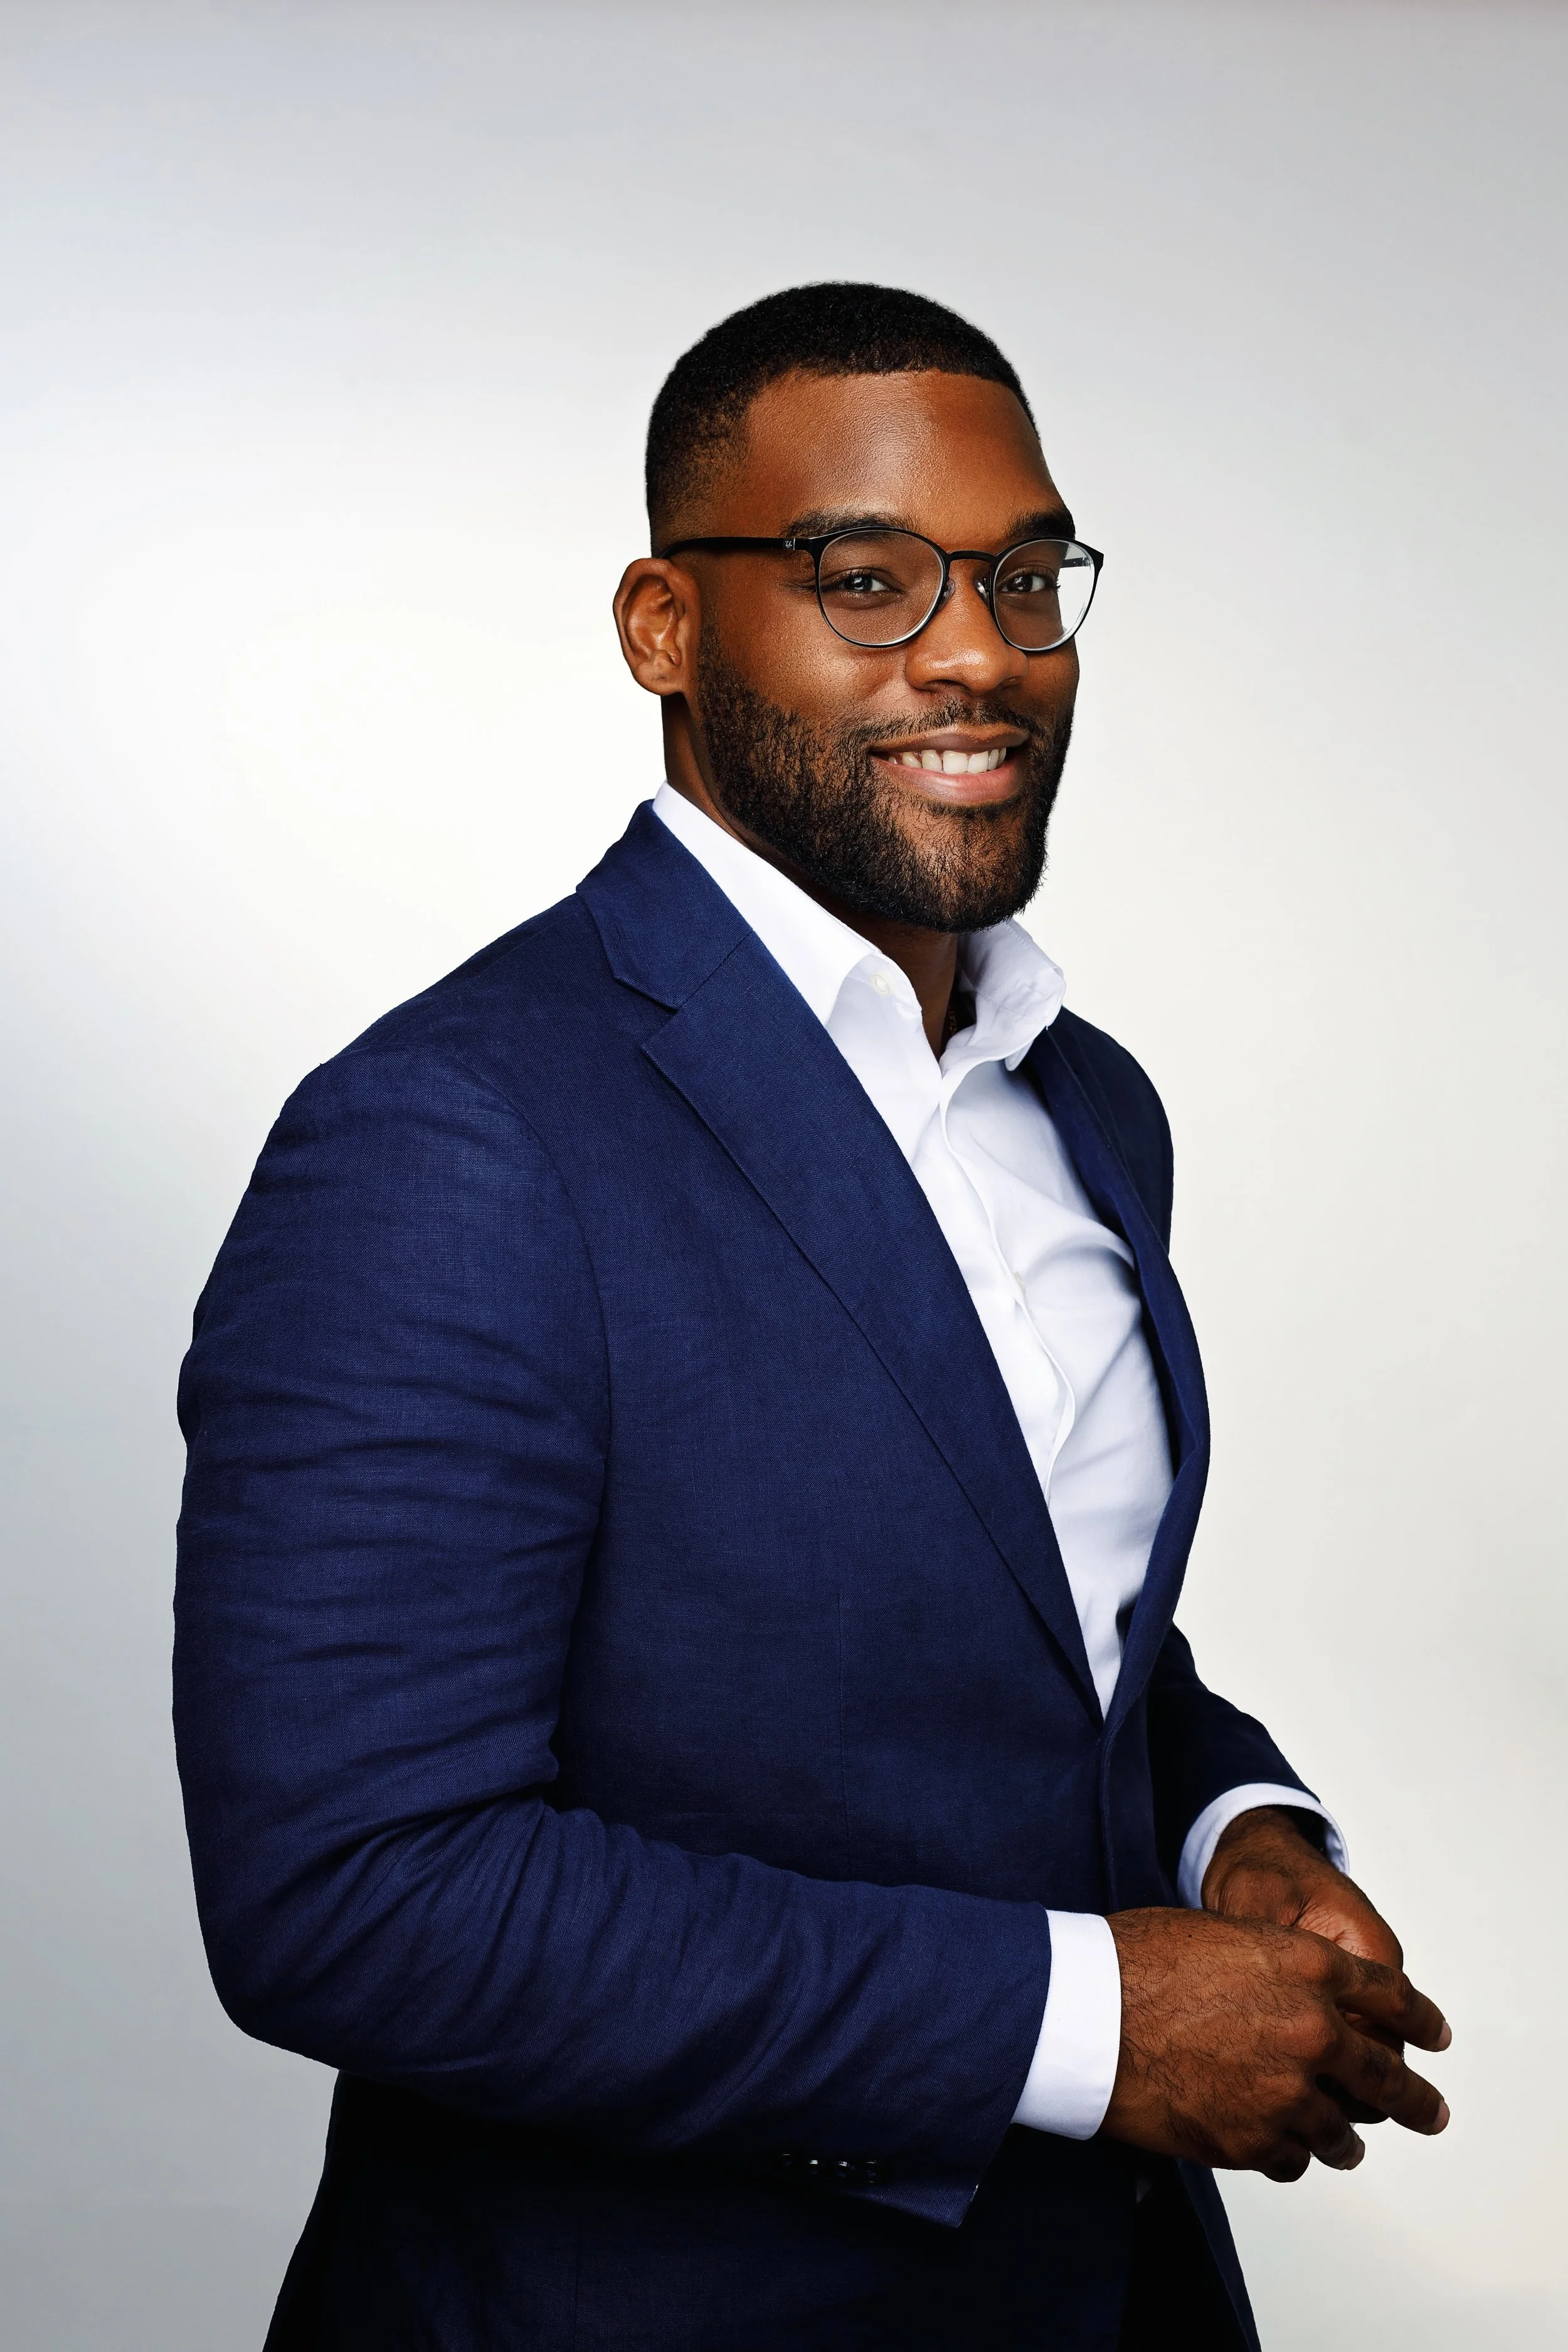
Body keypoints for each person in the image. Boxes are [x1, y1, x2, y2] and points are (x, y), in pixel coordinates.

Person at [174, 283, 1451, 2351]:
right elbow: (357, 1891)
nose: (977, 648)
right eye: (865, 577)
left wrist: (1231, 1822)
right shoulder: (451, 1132)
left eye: (1027, 576)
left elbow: (1023, 1618)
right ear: (662, 629)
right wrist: (1081, 2017)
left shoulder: (1082, 1097)